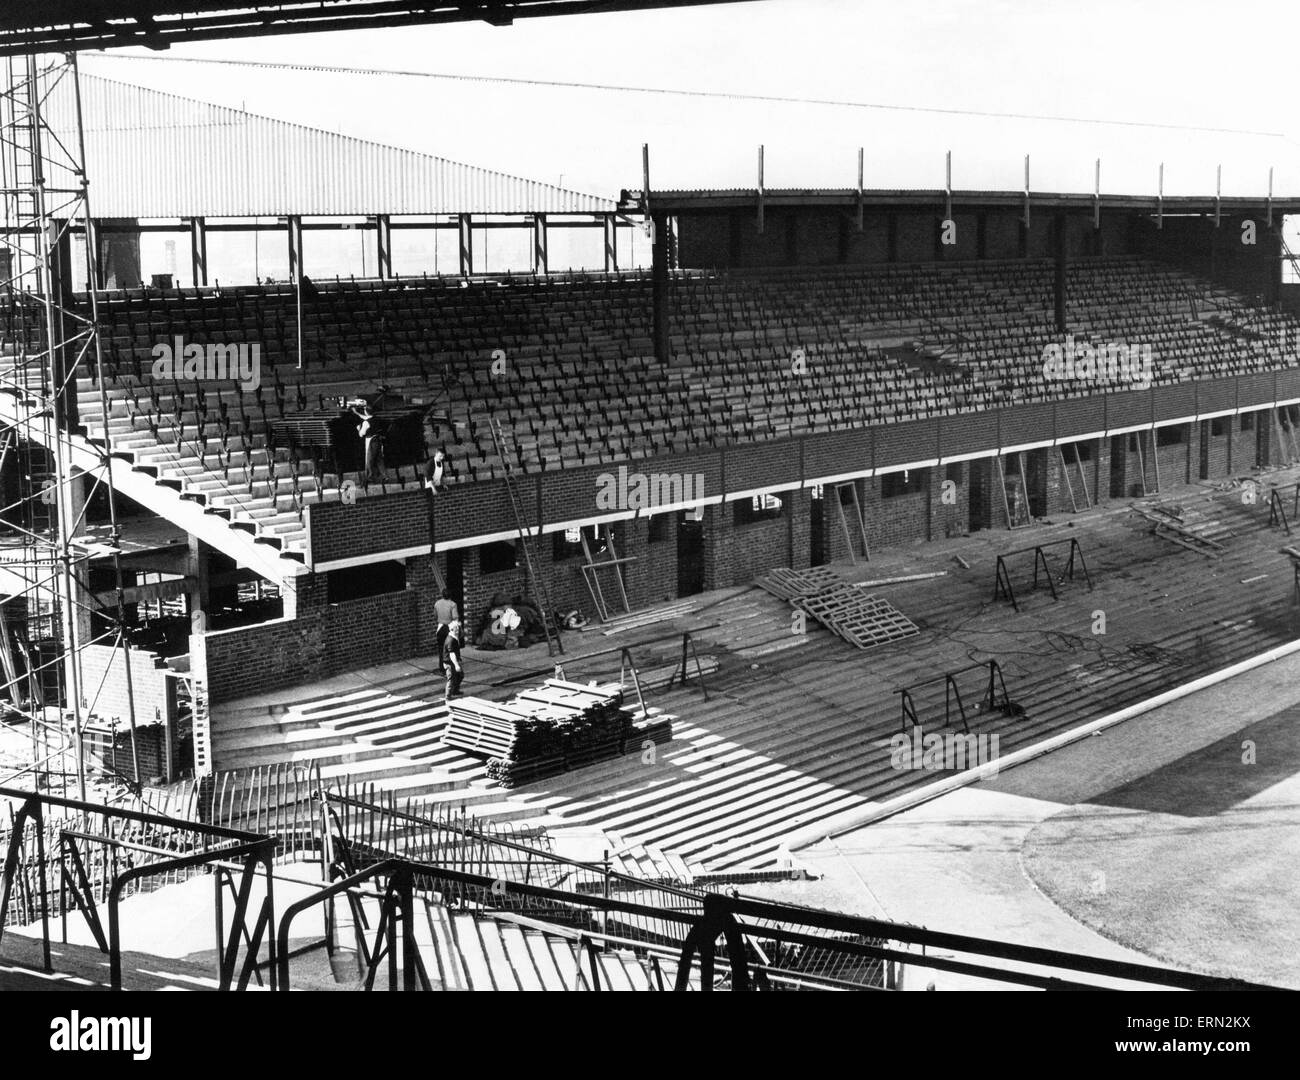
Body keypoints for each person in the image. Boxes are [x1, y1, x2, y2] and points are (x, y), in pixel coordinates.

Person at [433, 589, 459, 664]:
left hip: (440, 627)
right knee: (451, 648)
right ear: (450, 596)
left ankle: (442, 667)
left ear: (442, 595)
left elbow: (435, 615)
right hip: (450, 628)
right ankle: (452, 665)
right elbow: (455, 617)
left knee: (441, 648)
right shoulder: (453, 604)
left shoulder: (437, 603)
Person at [442, 620, 464, 701]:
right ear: (451, 629)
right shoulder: (450, 640)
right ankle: (447, 697)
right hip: (449, 663)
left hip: (453, 661)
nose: (458, 630)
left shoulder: (454, 637)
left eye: (458, 628)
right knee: (451, 679)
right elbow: (451, 654)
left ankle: (455, 691)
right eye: (456, 629)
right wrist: (456, 665)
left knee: (460, 675)